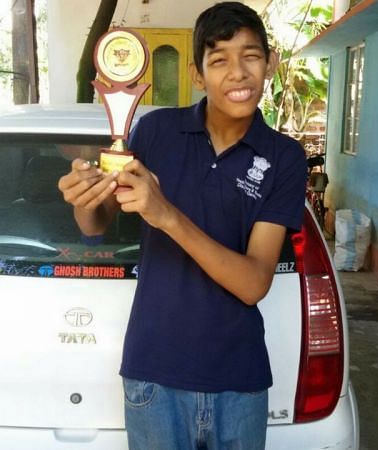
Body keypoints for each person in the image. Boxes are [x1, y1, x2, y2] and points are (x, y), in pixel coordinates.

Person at [57, 3, 305, 448]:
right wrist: (84, 197)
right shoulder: (155, 132)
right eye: (218, 59)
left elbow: (252, 283)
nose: (237, 72)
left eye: (250, 55)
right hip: (154, 376)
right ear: (196, 75)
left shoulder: (284, 157)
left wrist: (167, 215)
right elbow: (96, 224)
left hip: (239, 380)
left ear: (270, 63)